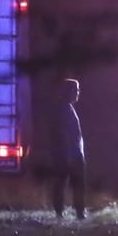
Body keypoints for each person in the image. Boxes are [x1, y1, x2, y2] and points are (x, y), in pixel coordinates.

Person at [49, 78, 86, 220]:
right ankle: (71, 213)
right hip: (69, 155)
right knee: (70, 183)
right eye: (75, 90)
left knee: (67, 184)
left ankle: (73, 212)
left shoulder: (66, 108)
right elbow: (62, 134)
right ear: (68, 91)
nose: (78, 93)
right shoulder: (63, 110)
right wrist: (68, 154)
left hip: (72, 153)